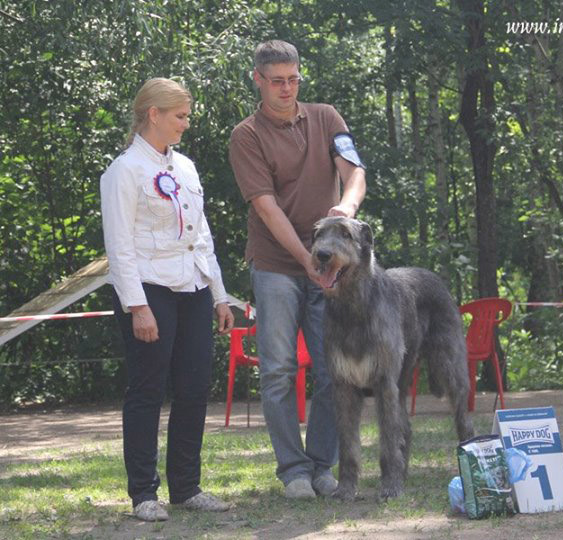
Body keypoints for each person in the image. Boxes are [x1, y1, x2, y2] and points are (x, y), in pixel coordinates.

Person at [228, 40, 366, 499]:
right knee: (279, 370)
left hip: (333, 271)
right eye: (277, 82)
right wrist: (308, 259)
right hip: (275, 268)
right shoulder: (245, 135)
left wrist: (344, 209)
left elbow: (355, 173)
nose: (287, 89)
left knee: (335, 370)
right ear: (258, 80)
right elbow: (267, 209)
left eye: (293, 80)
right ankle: (293, 471)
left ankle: (320, 465)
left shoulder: (327, 117)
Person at [101, 78, 234, 521]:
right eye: (180, 116)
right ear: (153, 114)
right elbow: (119, 246)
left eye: (187, 115)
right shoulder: (124, 170)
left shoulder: (188, 168)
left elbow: (202, 236)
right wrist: (137, 306)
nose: (186, 124)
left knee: (195, 389)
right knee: (147, 390)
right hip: (149, 290)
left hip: (194, 288)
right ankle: (143, 494)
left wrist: (219, 295)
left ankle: (186, 487)